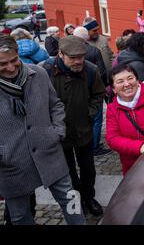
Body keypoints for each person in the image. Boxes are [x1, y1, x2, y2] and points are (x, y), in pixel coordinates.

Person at [0, 35, 85, 225]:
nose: (11, 68)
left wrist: (57, 131)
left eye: (14, 60)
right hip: (11, 162)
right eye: (3, 64)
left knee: (71, 199)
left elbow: (55, 105)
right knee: (20, 215)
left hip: (49, 150)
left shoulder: (37, 74)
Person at [41, 36, 105, 217]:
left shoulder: (90, 70)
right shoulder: (44, 71)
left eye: (81, 57)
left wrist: (89, 113)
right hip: (58, 134)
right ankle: (75, 201)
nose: (78, 61)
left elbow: (98, 95)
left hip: (83, 129)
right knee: (67, 171)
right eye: (73, 57)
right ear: (60, 54)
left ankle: (89, 197)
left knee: (88, 169)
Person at [72, 27, 112, 156]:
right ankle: (94, 147)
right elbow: (102, 72)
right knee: (96, 119)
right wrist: (104, 87)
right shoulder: (94, 51)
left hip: (77, 92)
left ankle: (87, 143)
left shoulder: (68, 52)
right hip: (93, 91)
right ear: (86, 36)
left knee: (83, 118)